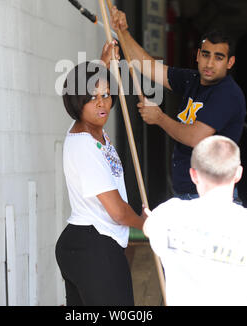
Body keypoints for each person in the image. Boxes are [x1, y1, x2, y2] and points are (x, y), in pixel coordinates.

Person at [108, 7, 246, 199]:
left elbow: (195, 137)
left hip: (212, 196)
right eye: (206, 55)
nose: (210, 63)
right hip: (188, 192)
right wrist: (123, 31)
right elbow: (148, 66)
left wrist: (159, 118)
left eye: (219, 57)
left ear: (230, 63)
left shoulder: (227, 94)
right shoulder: (192, 80)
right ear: (197, 55)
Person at [55, 56, 145, 306]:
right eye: (92, 98)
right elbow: (117, 211)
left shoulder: (94, 131)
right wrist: (144, 224)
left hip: (90, 244)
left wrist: (104, 64)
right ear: (77, 101)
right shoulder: (84, 144)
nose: (102, 103)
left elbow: (94, 86)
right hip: (94, 246)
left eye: (106, 95)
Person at [143, 135, 247, 306]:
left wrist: (153, 218)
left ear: (193, 175)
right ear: (238, 173)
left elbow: (148, 228)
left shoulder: (169, 214)